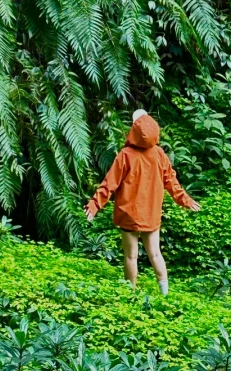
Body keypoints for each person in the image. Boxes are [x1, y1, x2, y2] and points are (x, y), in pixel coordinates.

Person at [84, 109, 200, 295]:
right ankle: (165, 294)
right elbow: (171, 181)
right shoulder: (159, 154)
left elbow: (110, 183)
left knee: (131, 256)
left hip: (129, 213)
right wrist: (185, 200)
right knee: (155, 253)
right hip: (151, 213)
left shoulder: (126, 155)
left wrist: (94, 205)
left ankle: (131, 294)